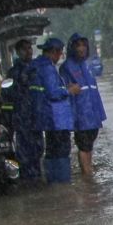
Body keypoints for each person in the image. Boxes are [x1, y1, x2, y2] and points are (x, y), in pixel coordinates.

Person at [29, 37, 78, 184]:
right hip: (56, 119)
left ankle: (53, 182)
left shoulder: (38, 66)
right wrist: (69, 90)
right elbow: (53, 92)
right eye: (60, 53)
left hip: (48, 118)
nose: (59, 57)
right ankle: (62, 182)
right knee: (61, 151)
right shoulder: (47, 68)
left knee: (52, 151)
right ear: (54, 52)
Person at [61, 33, 107, 174]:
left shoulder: (87, 66)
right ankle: (87, 175)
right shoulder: (67, 67)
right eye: (78, 45)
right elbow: (65, 91)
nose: (81, 49)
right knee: (84, 146)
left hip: (93, 114)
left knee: (89, 146)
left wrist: (99, 114)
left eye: (84, 45)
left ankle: (89, 173)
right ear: (72, 48)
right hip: (81, 114)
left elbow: (94, 89)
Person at [5, 39, 43, 183]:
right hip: (22, 118)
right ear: (18, 52)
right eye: (25, 49)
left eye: (30, 48)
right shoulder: (13, 73)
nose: (28, 51)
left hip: (35, 117)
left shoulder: (35, 69)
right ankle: (29, 179)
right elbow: (6, 97)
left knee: (38, 150)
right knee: (25, 152)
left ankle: (36, 178)